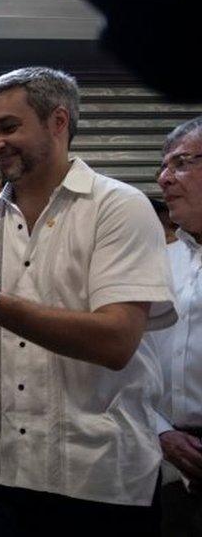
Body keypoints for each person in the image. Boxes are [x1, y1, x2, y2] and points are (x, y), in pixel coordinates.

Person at [0, 67, 175, 536]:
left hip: (99, 480)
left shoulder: (117, 208)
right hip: (3, 477)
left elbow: (117, 341)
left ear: (58, 122)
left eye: (8, 127)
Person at [143, 116, 202, 535]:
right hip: (165, 471)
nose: (164, 179)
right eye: (163, 167)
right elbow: (128, 361)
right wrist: (161, 432)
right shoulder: (161, 265)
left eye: (180, 163)